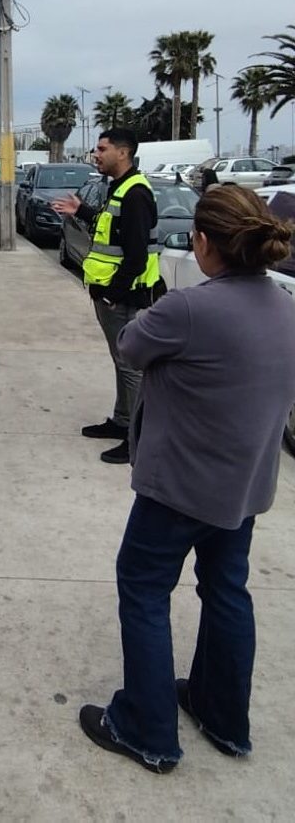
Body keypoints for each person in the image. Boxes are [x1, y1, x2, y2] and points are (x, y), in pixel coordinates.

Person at [78, 185, 295, 773]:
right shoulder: (284, 306)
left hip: (179, 488)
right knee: (227, 590)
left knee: (143, 588)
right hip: (244, 487)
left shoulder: (189, 308)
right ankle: (223, 718)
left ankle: (147, 729)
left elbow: (130, 345)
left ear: (203, 243)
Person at [51, 128, 159, 463]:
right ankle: (122, 421)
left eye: (102, 149)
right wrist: (81, 211)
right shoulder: (120, 188)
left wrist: (113, 295)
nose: (95, 155)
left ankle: (135, 439)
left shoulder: (136, 193)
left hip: (124, 298)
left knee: (130, 369)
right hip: (110, 295)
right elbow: (110, 229)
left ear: (123, 153)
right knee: (120, 363)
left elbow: (137, 255)